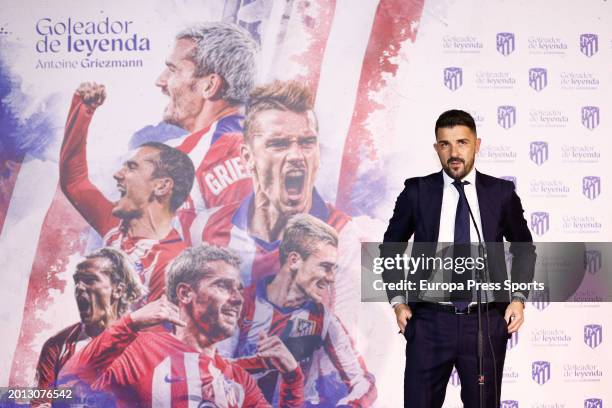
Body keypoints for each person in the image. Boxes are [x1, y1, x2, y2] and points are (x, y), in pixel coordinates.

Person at [381, 110, 536, 407]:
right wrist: (398, 301)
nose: (454, 153)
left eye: (462, 142)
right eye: (445, 144)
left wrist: (518, 297)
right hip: (428, 321)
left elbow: (523, 247)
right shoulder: (417, 191)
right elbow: (391, 247)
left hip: (485, 321)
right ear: (436, 147)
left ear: (477, 144)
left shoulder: (501, 193)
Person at [59, 245, 304, 407]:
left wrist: (293, 379)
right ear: (185, 293)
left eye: (238, 289)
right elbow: (70, 380)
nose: (238, 299)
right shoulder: (139, 350)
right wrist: (130, 323)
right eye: (223, 286)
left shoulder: (237, 379)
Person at [60, 82, 195, 302]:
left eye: (132, 167)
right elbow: (74, 181)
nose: (117, 174)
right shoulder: (115, 227)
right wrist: (83, 110)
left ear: (161, 186)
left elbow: (156, 334)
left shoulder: (173, 265)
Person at [224, 214, 377, 406]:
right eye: (325, 267)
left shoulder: (323, 319)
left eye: (333, 269)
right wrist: (266, 363)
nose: (330, 278)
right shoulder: (239, 303)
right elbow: (212, 370)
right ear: (295, 260)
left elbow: (363, 382)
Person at [155, 22, 259, 246]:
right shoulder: (259, 142)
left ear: (210, 85)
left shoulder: (219, 150)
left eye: (173, 70)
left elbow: (246, 259)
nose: (160, 81)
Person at [33, 248, 143, 406]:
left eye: (90, 280)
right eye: (77, 280)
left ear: (118, 290)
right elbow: (40, 400)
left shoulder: (142, 345)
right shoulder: (57, 345)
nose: (79, 287)